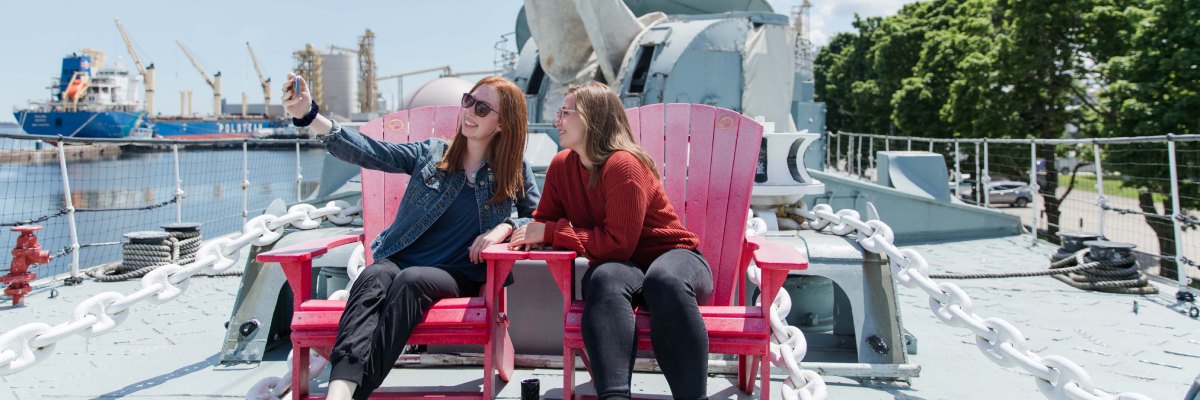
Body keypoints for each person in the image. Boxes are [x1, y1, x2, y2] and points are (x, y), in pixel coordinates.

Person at [283, 74, 540, 399]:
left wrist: (505, 227)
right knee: (373, 276)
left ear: (503, 124)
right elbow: (371, 151)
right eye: (468, 101)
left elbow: (538, 218)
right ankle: (341, 392)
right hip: (401, 260)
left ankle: (352, 393)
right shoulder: (432, 154)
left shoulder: (513, 169)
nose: (470, 112)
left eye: (483, 108)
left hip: (456, 274)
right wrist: (310, 116)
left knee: (412, 281)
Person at [508, 82, 712, 399]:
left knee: (663, 280)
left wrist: (551, 233)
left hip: (676, 258)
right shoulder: (562, 165)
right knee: (603, 277)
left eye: (565, 113)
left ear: (593, 118)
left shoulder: (624, 165)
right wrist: (535, 229)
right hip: (625, 267)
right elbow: (544, 218)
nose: (557, 120)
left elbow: (618, 243)